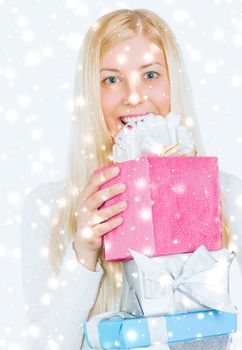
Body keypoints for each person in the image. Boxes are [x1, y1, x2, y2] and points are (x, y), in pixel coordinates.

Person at [20, 8, 242, 350]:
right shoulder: (49, 205)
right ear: (90, 95)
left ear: (173, 83)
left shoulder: (227, 195)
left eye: (151, 75)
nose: (134, 96)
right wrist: (84, 252)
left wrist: (189, 211)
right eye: (112, 79)